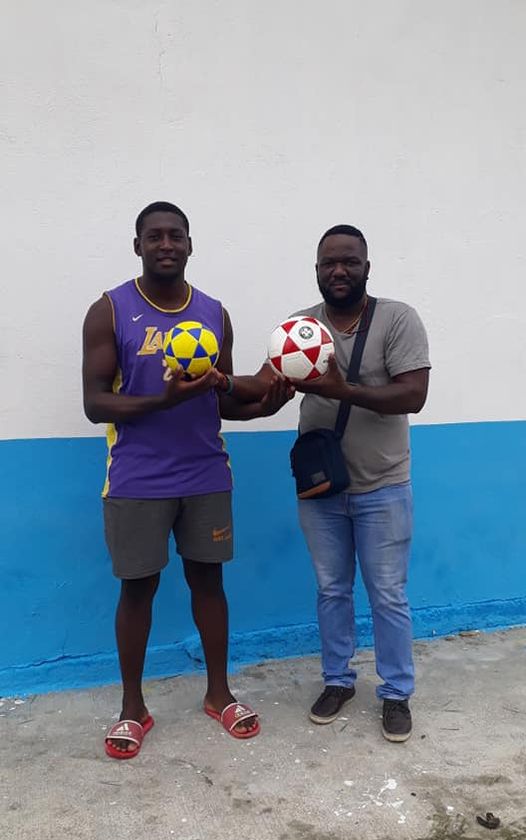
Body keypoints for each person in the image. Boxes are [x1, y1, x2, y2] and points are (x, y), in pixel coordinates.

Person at [82, 201, 291, 759]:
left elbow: (220, 400)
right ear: (138, 246)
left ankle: (219, 694)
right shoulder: (109, 310)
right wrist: (161, 399)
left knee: (209, 583)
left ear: (191, 245)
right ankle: (132, 708)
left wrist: (263, 407)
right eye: (154, 236)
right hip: (136, 477)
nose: (166, 244)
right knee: (138, 589)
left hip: (205, 473)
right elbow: (94, 403)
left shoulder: (214, 313)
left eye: (176, 235)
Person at [287, 224, 431, 742]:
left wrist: (342, 389)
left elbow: (413, 394)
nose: (339, 270)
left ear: (367, 267)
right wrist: (221, 384)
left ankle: (396, 693)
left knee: (387, 595)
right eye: (329, 262)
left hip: (383, 486)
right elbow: (268, 384)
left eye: (349, 261)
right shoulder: (301, 328)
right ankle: (337, 680)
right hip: (322, 488)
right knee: (331, 590)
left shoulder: (397, 319)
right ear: (317, 270)